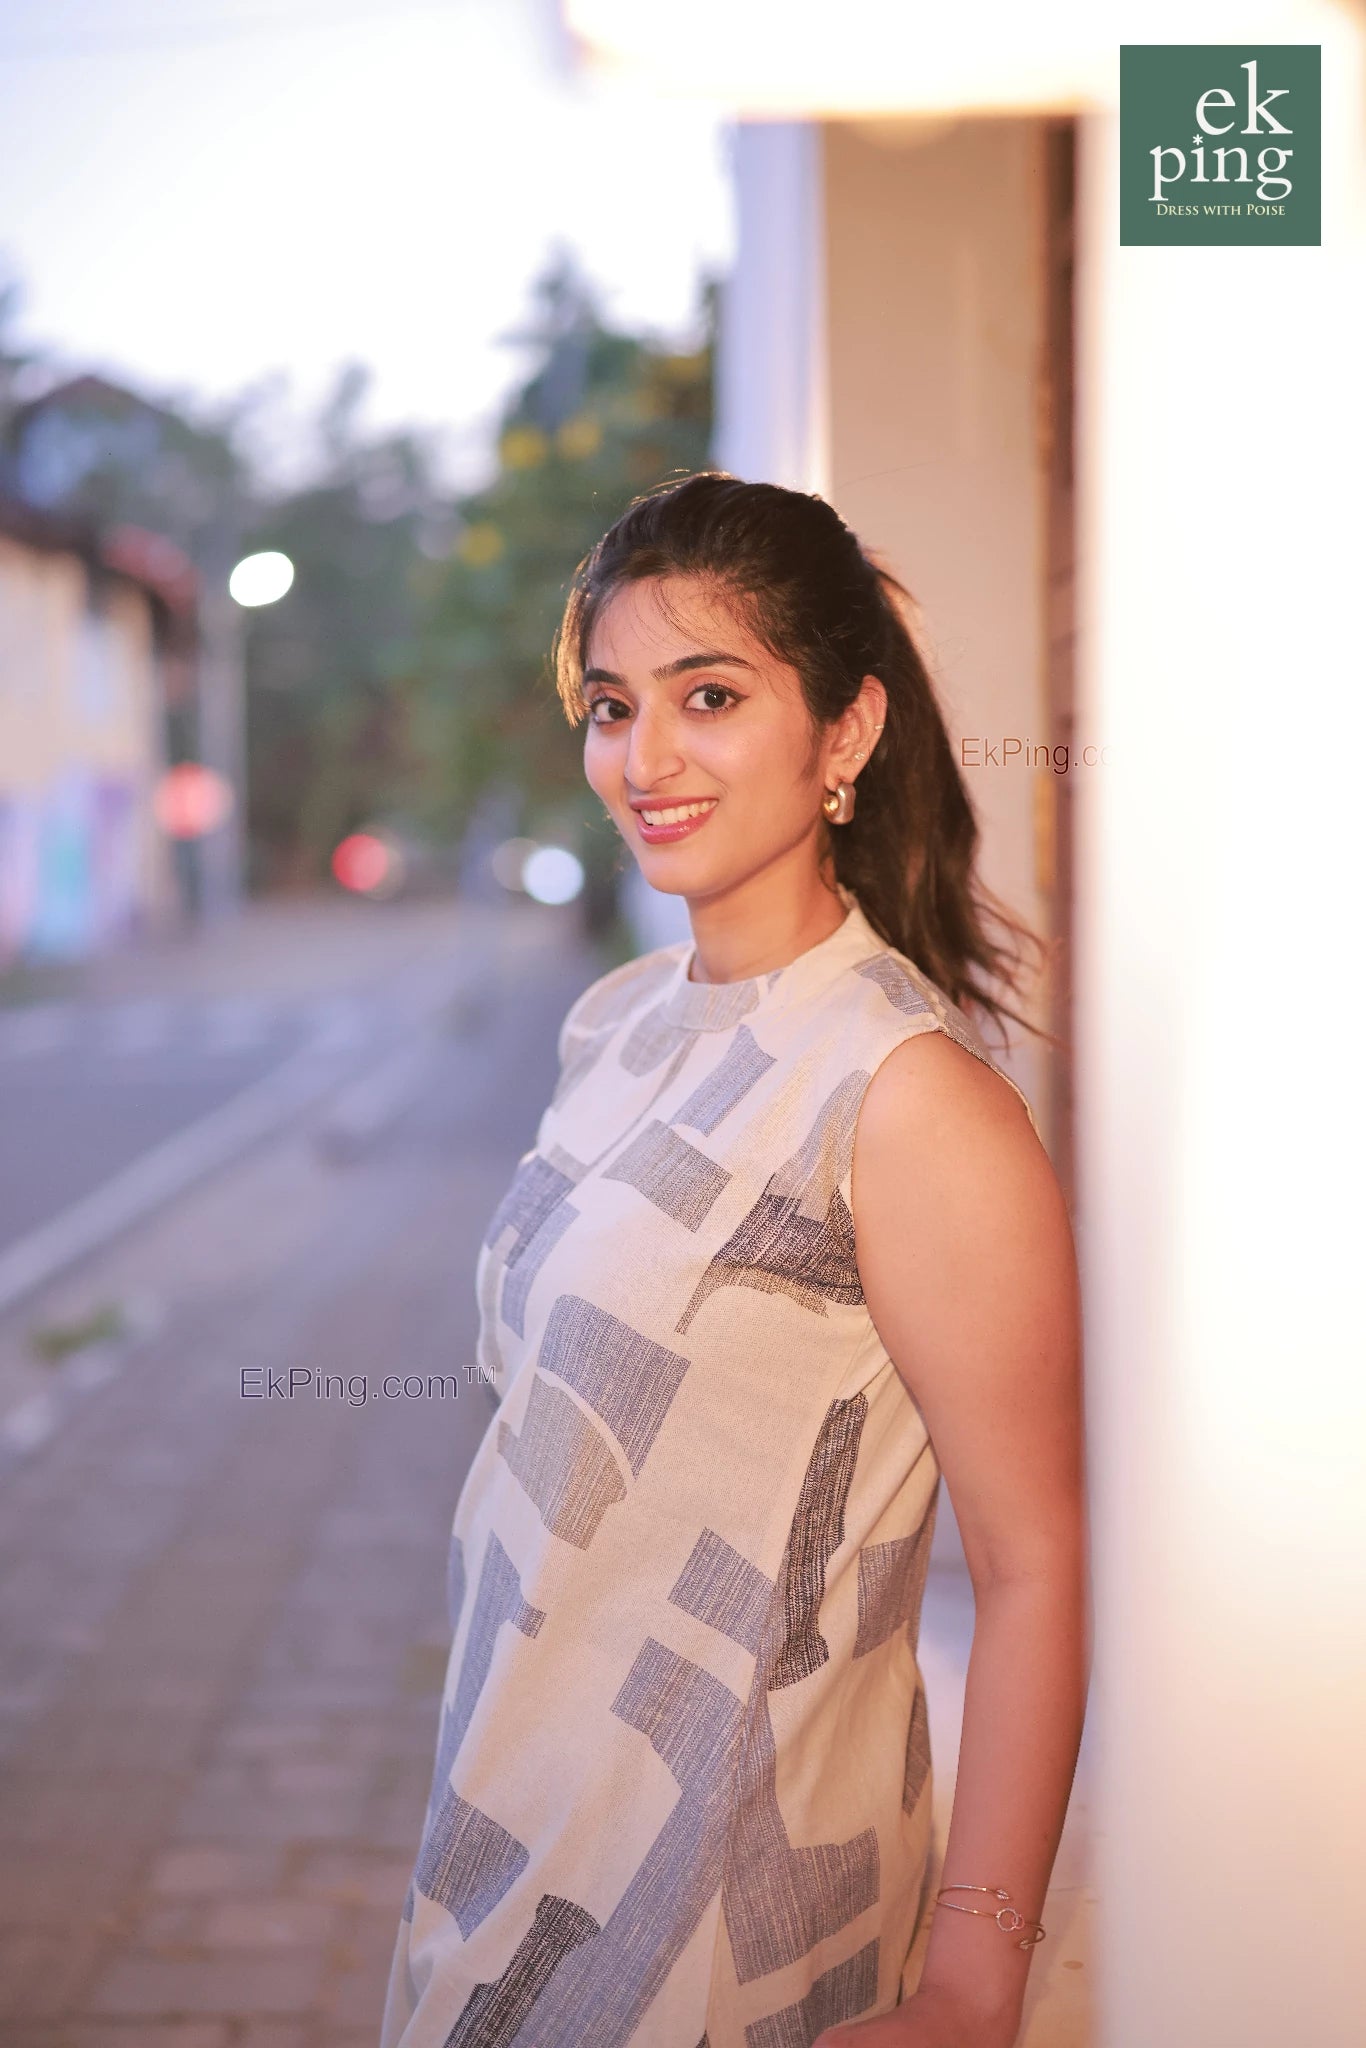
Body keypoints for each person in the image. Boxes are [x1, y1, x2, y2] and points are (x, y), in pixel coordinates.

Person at [379, 473, 1088, 2048]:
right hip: (496, 1843)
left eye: (708, 696)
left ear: (844, 732)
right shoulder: (613, 1024)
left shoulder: (906, 1100)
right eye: (612, 706)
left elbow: (1035, 1563)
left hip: (718, 1910)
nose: (644, 759)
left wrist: (973, 1983)